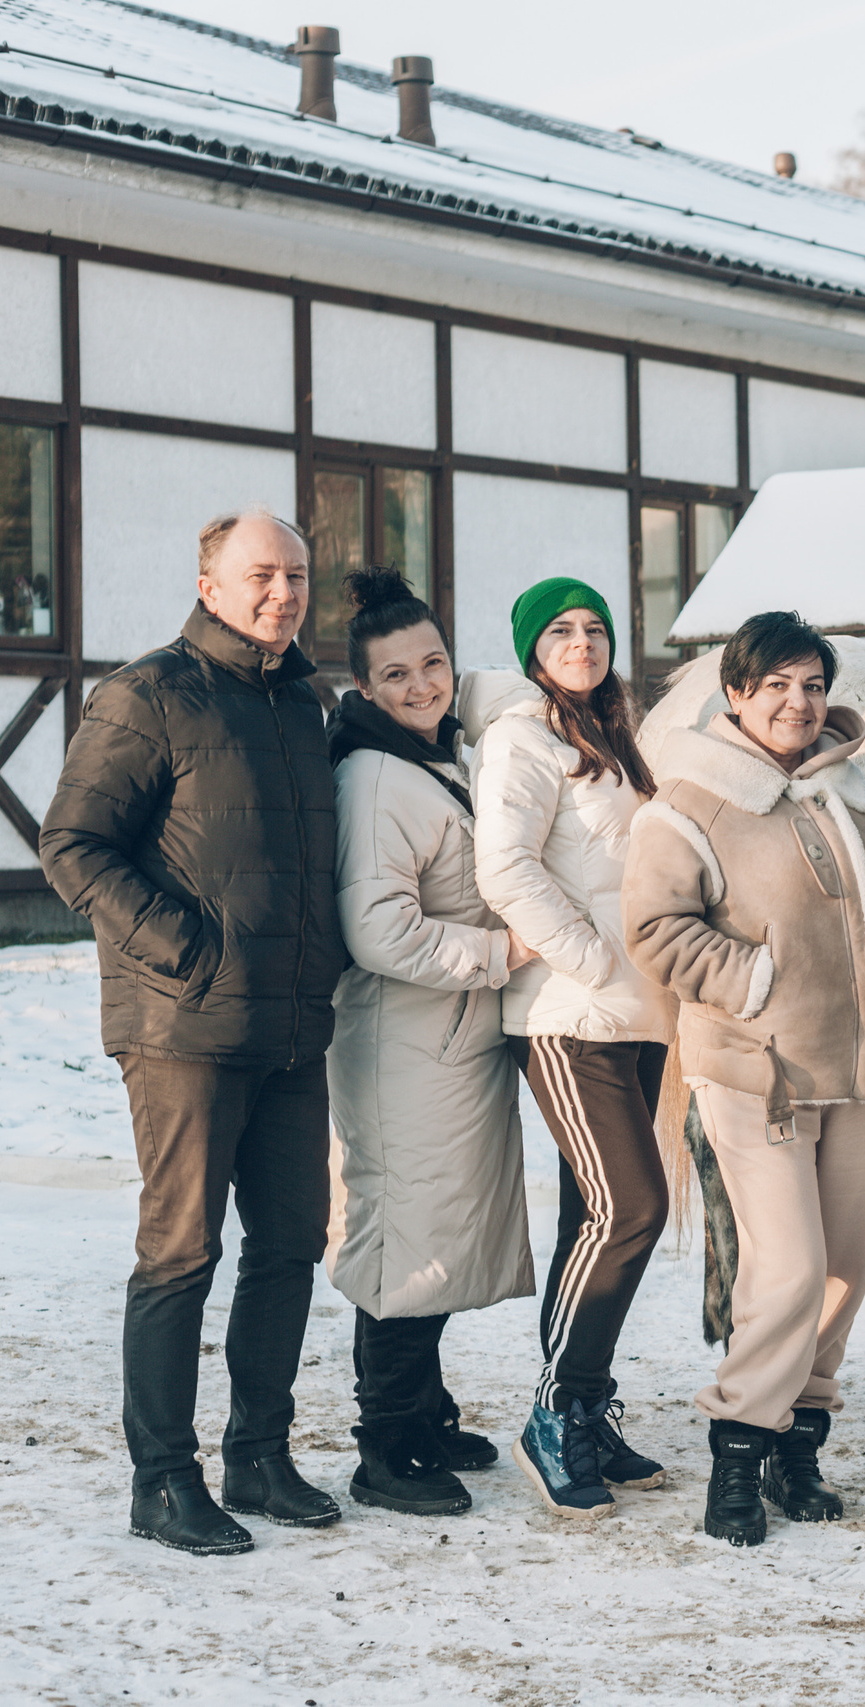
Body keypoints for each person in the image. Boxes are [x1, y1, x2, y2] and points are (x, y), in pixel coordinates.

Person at [38, 509, 349, 1556]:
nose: (283, 593)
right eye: (262, 574)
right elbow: (73, 843)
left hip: (296, 1026)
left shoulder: (305, 702)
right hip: (182, 1025)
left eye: (298, 576)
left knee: (294, 1243)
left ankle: (259, 1457)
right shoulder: (148, 693)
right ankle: (162, 1481)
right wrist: (187, 950)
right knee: (181, 1250)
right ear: (209, 582)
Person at [623, 610, 865, 1547]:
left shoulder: (849, 790)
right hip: (756, 1073)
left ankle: (798, 1447)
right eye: (776, 688)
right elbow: (654, 928)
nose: (797, 704)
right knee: (791, 1267)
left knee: (844, 1270)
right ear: (735, 695)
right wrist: (754, 982)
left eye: (811, 685)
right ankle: (735, 1450)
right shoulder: (688, 803)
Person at [325, 567, 539, 1518]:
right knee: (406, 1238)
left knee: (441, 1228)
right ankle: (386, 1444)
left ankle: (424, 1409)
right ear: (363, 689)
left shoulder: (431, 753)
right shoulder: (373, 777)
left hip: (446, 1039)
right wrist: (501, 950)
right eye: (397, 675)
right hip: (403, 1042)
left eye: (435, 663)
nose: (422, 685)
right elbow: (381, 931)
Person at [468, 577, 677, 1519]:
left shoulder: (620, 741)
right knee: (633, 1205)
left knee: (590, 1220)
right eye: (561, 630)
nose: (583, 641)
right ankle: (555, 1412)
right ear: (532, 652)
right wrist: (592, 959)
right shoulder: (524, 739)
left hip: (639, 1014)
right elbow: (504, 866)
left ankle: (585, 1407)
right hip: (567, 1011)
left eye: (596, 627)